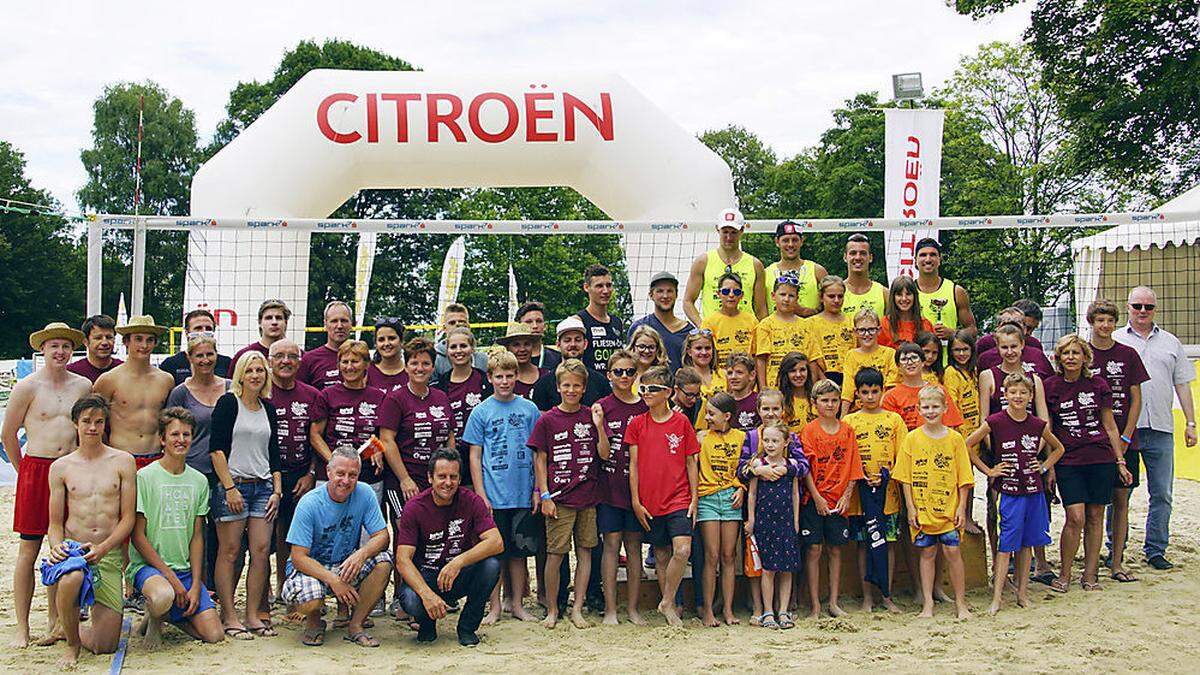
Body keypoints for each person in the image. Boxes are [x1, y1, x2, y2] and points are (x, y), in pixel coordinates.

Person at [2, 323, 91, 647]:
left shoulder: (82, 386)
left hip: (70, 471)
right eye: (54, 346)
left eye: (65, 346)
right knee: (29, 550)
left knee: (63, 547)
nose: (60, 352)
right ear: (43, 349)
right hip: (36, 468)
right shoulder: (27, 387)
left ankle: (57, 621)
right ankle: (23, 626)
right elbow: (8, 433)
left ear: (71, 351)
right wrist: (22, 468)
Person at [43, 395, 136, 666]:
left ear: (105, 424)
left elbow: (127, 518)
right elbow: (56, 523)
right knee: (71, 577)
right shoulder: (61, 467)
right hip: (76, 550)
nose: (92, 428)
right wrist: (56, 546)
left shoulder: (123, 461)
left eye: (98, 422)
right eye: (86, 422)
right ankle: (72, 645)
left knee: (105, 646)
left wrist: (104, 548)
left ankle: (68, 627)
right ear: (75, 424)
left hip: (107, 553)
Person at [963, 372, 1065, 614]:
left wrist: (1043, 466)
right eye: (1013, 392)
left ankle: (1022, 594)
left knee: (1027, 545)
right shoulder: (996, 421)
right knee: (1006, 545)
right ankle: (997, 597)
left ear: (1031, 396)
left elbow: (1059, 448)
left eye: (1023, 392)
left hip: (1033, 490)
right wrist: (989, 470)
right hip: (1009, 491)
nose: (1018, 396)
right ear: (1004, 394)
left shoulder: (1037, 424)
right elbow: (967, 444)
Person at [1113, 286, 1197, 570]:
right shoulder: (1113, 339)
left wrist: (1190, 422)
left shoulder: (1171, 343)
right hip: (1125, 429)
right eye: (1137, 306)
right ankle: (1116, 547)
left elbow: (1182, 384)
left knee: (1162, 492)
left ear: (1156, 310)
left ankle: (1156, 549)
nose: (1142, 311)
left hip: (1160, 426)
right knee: (1119, 492)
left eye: (1148, 307)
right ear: (1128, 307)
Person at [128, 407, 223, 648]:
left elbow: (197, 537)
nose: (181, 440)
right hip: (150, 569)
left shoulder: (199, 480)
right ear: (162, 439)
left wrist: (194, 583)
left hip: (184, 570)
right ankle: (158, 610)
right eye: (174, 435)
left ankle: (165, 616)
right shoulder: (145, 477)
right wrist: (170, 577)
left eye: (186, 435)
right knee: (163, 596)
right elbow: (138, 536)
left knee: (214, 635)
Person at [1044, 335, 1132, 593]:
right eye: (1066, 353)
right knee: (1075, 517)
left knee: (1095, 516)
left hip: (1100, 457)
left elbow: (1110, 425)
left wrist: (1120, 461)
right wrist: (1049, 465)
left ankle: (1090, 575)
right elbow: (1048, 429)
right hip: (1069, 459)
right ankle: (1065, 574)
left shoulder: (1098, 384)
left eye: (1076, 352)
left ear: (1085, 357)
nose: (1071, 357)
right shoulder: (1051, 386)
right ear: (1058, 358)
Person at [528, 359, 611, 629]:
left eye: (577, 386)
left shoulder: (591, 415)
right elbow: (540, 459)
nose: (572, 390)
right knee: (556, 554)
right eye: (566, 385)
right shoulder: (548, 420)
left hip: (588, 496)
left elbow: (604, 453)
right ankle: (553, 608)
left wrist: (599, 425)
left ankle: (578, 607)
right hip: (559, 499)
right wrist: (545, 495)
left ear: (584, 387)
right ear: (559, 386)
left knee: (585, 552)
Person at [282, 446, 392, 648]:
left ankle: (355, 625)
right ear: (329, 472)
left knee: (384, 560)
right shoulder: (309, 503)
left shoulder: (365, 493)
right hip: (311, 568)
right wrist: (333, 580)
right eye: (340, 474)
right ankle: (314, 621)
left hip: (344, 563)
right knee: (311, 600)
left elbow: (383, 536)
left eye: (353, 475)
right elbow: (298, 557)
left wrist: (361, 554)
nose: (346, 480)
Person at [208, 351, 282, 639]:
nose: (255, 375)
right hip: (233, 485)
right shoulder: (229, 403)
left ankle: (252, 614)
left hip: (263, 486)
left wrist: (277, 490)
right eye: (250, 370)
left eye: (260, 371)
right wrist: (229, 488)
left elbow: (273, 453)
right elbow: (216, 450)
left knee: (261, 552)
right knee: (229, 552)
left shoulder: (267, 408)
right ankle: (229, 615)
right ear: (240, 374)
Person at [463, 351, 541, 625]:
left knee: (519, 555)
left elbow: (536, 453)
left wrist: (537, 490)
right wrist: (480, 494)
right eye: (499, 377)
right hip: (493, 496)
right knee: (494, 554)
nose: (505, 381)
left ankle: (517, 604)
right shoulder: (481, 411)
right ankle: (494, 606)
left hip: (522, 493)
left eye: (510, 376)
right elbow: (474, 455)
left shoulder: (529, 409)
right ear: (490, 378)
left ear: (517, 376)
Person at [396, 448, 504, 646]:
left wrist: (458, 562)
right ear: (430, 478)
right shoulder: (414, 507)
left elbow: (496, 542)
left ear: (460, 479)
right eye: (442, 476)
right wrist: (427, 595)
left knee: (491, 565)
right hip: (427, 575)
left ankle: (467, 628)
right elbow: (402, 560)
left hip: (457, 574)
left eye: (453, 477)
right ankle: (427, 625)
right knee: (411, 600)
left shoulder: (471, 500)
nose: (448, 483)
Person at [977, 323, 1053, 580]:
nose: (1009, 351)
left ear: (1023, 346)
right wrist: (996, 458)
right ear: (997, 348)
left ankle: (1038, 562)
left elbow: (1044, 419)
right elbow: (984, 420)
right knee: (996, 507)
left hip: (1032, 451)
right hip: (999, 452)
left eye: (1014, 346)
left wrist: (1034, 452)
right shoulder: (988, 375)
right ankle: (1000, 561)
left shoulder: (1034, 379)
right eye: (1004, 347)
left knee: (1035, 506)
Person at [626, 365, 700, 628]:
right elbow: (633, 466)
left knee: (683, 550)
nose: (645, 393)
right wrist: (635, 501)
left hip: (679, 497)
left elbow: (691, 461)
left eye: (652, 389)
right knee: (660, 554)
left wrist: (694, 497)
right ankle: (669, 606)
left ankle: (667, 600)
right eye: (642, 388)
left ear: (668, 392)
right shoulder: (636, 424)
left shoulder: (681, 422)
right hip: (649, 501)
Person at [893, 385, 973, 619]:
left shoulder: (955, 439)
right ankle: (927, 603)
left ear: (945, 408)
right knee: (927, 553)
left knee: (952, 551)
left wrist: (961, 508)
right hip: (922, 508)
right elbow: (904, 478)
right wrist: (910, 508)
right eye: (926, 407)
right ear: (918, 409)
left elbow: (964, 478)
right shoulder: (911, 438)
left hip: (949, 509)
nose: (930, 411)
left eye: (935, 407)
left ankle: (961, 603)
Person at [736, 389, 814, 625]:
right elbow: (741, 470)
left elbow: (804, 467)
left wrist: (786, 469)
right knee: (760, 563)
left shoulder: (791, 437)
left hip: (787, 510)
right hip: (760, 507)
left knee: (786, 563)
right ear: (758, 410)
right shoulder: (750, 437)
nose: (770, 413)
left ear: (783, 410)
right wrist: (757, 470)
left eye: (775, 409)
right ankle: (761, 608)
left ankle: (785, 608)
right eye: (765, 409)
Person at [1087, 299, 1149, 582]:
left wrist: (1126, 435)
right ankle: (1089, 563)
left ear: (1115, 323)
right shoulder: (1081, 353)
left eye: (1110, 321)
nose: (1105, 325)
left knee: (1121, 501)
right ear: (1092, 322)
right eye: (1100, 320)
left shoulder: (1128, 354)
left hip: (1125, 439)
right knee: (1093, 508)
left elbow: (1136, 399)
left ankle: (1117, 562)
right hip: (1091, 443)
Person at [842, 368, 906, 613]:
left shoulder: (894, 420)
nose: (870, 397)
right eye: (865, 392)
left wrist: (885, 476)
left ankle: (887, 596)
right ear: (857, 393)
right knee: (863, 543)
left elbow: (901, 456)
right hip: (860, 496)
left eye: (875, 392)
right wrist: (862, 476)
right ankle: (867, 597)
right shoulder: (850, 421)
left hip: (887, 495)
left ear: (882, 391)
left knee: (888, 543)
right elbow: (847, 457)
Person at [800, 379, 864, 619]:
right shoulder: (809, 430)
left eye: (834, 400)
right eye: (825, 400)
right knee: (814, 549)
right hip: (814, 499)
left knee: (836, 550)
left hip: (839, 501)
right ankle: (815, 604)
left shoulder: (847, 430)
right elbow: (805, 468)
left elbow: (854, 466)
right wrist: (816, 497)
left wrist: (847, 496)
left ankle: (834, 602)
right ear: (815, 403)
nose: (830, 404)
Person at [595, 350, 650, 626]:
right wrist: (600, 426)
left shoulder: (645, 406)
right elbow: (602, 454)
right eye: (619, 372)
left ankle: (633, 609)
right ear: (609, 375)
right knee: (611, 546)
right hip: (609, 487)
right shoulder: (602, 406)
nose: (625, 376)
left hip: (637, 490)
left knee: (634, 546)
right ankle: (611, 609)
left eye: (630, 371)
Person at [266, 339, 320, 606]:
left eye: (292, 356)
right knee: (264, 537)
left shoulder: (311, 395)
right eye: (279, 356)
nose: (286, 361)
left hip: (300, 474)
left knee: (292, 534)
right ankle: (266, 589)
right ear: (270, 360)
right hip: (267, 475)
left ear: (300, 362)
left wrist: (310, 473)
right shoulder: (260, 392)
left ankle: (287, 586)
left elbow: (317, 438)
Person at [380, 337, 455, 512]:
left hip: (435, 481)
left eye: (425, 363)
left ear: (433, 367)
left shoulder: (441, 397)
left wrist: (449, 473)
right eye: (414, 363)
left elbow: (449, 436)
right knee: (407, 534)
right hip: (405, 481)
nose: (420, 368)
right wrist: (404, 479)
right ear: (405, 366)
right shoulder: (395, 399)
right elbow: (387, 440)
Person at [94, 315, 176, 469]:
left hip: (157, 457)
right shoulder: (109, 380)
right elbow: (96, 421)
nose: (144, 345)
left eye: (149, 340)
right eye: (138, 339)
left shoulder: (166, 380)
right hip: (121, 456)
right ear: (126, 341)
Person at [694, 392, 745, 627]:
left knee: (729, 555)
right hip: (708, 497)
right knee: (711, 555)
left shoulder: (742, 437)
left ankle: (728, 609)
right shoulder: (702, 438)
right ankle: (707, 611)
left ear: (727, 416)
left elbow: (746, 469)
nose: (708, 418)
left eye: (712, 414)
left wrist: (742, 488)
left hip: (731, 498)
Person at [310, 340, 386, 496]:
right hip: (331, 476)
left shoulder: (379, 397)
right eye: (345, 362)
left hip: (368, 476)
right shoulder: (327, 395)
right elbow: (315, 435)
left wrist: (379, 448)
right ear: (338, 365)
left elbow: (386, 435)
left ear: (366, 364)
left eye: (355, 361)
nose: (349, 366)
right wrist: (335, 462)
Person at [746, 421, 801, 629]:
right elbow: (752, 494)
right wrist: (751, 519)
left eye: (775, 441)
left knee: (786, 569)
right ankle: (768, 611)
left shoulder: (791, 466)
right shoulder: (758, 466)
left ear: (785, 442)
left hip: (785, 521)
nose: (770, 444)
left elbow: (795, 493)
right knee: (768, 569)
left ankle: (783, 610)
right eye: (766, 440)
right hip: (764, 521)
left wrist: (795, 521)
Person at [683, 207, 768, 325]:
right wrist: (703, 327)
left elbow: (761, 309)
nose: (729, 237)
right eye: (725, 232)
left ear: (742, 230)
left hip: (745, 334)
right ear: (717, 229)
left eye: (733, 232)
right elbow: (688, 301)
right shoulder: (703, 262)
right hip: (715, 333)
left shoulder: (755, 264)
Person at [166, 334, 231, 477]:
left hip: (229, 469)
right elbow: (170, 433)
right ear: (189, 358)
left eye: (210, 354)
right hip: (193, 469)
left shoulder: (231, 388)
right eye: (199, 356)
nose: (205, 360)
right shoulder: (180, 393)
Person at [432, 328, 489, 491]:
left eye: (463, 346)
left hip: (482, 457)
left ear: (472, 348)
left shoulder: (485, 381)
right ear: (447, 351)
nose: (458, 351)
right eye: (453, 347)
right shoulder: (439, 386)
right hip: (452, 458)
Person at [944, 330, 982, 534]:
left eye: (965, 349)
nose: (961, 354)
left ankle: (969, 516)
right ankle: (964, 518)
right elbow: (952, 405)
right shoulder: (951, 373)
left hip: (976, 433)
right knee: (963, 479)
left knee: (971, 478)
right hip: (961, 434)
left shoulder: (973, 372)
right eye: (956, 350)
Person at [531, 316, 612, 411]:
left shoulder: (600, 382)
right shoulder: (544, 384)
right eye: (567, 340)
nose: (573, 344)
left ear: (585, 344)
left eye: (578, 340)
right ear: (558, 344)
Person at [882, 342, 965, 431]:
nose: (910, 363)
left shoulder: (939, 391)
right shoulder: (890, 397)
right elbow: (891, 431)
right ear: (898, 366)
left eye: (914, 358)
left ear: (923, 362)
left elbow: (951, 426)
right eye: (904, 359)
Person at [913, 238, 977, 345]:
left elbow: (972, 330)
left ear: (939, 259)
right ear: (915, 260)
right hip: (917, 359)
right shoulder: (908, 293)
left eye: (933, 255)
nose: (928, 259)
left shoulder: (956, 291)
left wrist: (953, 334)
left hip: (948, 359)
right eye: (923, 255)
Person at [627, 271, 694, 371]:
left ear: (676, 294)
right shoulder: (639, 327)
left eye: (670, 291)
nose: (665, 296)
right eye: (660, 291)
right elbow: (630, 362)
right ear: (651, 295)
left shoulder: (689, 331)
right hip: (649, 385)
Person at [754, 273, 809, 392]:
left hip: (800, 387)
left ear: (797, 298)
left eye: (791, 296)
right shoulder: (765, 325)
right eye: (782, 294)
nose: (786, 299)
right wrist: (763, 389)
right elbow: (761, 360)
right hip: (774, 387)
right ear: (773, 296)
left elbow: (812, 360)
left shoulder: (806, 325)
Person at [839, 308, 897, 415]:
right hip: (858, 411)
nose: (867, 334)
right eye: (862, 330)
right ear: (855, 332)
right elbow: (848, 391)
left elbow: (891, 387)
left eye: (871, 329)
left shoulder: (890, 354)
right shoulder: (851, 355)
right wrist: (843, 417)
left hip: (884, 409)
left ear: (879, 330)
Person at [701, 272, 758, 378]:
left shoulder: (751, 320)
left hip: (747, 382)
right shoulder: (709, 322)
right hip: (719, 381)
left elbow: (756, 356)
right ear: (718, 294)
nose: (731, 295)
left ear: (741, 295)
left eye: (736, 292)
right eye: (726, 291)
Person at [764, 220, 826, 317]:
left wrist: (808, 312)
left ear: (802, 241)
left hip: (810, 329)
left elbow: (830, 306)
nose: (790, 244)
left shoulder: (817, 271)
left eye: (795, 240)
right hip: (776, 330)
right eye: (785, 240)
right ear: (777, 242)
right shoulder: (766, 273)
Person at [575, 264, 626, 376]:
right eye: (599, 286)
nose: (605, 291)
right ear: (586, 287)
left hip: (615, 385)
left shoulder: (617, 322)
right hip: (590, 386)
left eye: (608, 285)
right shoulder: (579, 321)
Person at [159, 309, 234, 385]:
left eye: (208, 328)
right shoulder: (170, 364)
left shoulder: (227, 363)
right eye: (198, 328)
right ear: (187, 333)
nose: (203, 332)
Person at [805, 276, 855, 385]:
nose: (836, 300)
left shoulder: (852, 322)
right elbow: (811, 358)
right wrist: (825, 382)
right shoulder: (810, 324)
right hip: (822, 381)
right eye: (831, 296)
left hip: (850, 380)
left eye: (840, 296)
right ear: (821, 297)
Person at [976, 308, 1053, 378]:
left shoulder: (1037, 355)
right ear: (997, 329)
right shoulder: (985, 358)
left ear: (1025, 329)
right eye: (1005, 326)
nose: (1010, 330)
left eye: (1016, 326)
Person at [298, 301, 353, 390]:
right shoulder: (309, 359)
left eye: (344, 320)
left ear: (351, 324)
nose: (339, 326)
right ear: (325, 324)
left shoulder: (362, 358)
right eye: (334, 321)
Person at [434, 303, 489, 377]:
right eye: (452, 323)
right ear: (444, 328)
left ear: (468, 326)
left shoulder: (483, 360)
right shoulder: (435, 360)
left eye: (462, 322)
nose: (458, 325)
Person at [840, 234, 887, 319]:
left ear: (870, 258)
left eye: (863, 253)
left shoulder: (884, 293)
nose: (858, 257)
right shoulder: (837, 293)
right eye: (853, 253)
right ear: (845, 257)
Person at [878, 276, 933, 348]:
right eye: (899, 294)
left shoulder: (925, 324)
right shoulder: (884, 324)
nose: (904, 298)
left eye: (908, 294)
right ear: (893, 297)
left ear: (915, 296)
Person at [232, 299, 291, 366]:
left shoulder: (298, 356)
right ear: (260, 323)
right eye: (268, 318)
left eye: (279, 318)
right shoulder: (243, 355)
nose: (274, 322)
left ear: (286, 322)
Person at [67, 314, 123, 383]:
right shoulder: (72, 372)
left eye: (109, 337)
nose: (104, 343)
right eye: (98, 338)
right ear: (86, 341)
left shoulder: (124, 370)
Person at [495, 323, 545, 400]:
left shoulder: (546, 376)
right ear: (508, 348)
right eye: (516, 345)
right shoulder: (500, 380)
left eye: (527, 344)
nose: (522, 349)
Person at [367, 316, 408, 395]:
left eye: (391, 338)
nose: (386, 344)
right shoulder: (366, 372)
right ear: (376, 344)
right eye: (381, 339)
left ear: (401, 341)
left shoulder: (412, 372)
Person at [516, 301, 560, 371]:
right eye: (529, 322)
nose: (535, 326)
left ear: (545, 326)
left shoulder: (558, 359)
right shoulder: (510, 359)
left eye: (539, 321)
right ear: (519, 326)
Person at [723, 352, 761, 431]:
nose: (733, 377)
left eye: (739, 372)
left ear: (752, 375)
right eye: (730, 373)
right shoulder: (723, 403)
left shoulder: (759, 401)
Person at [779, 352, 815, 434]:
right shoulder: (779, 401)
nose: (798, 375)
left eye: (802, 370)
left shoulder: (818, 399)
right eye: (793, 371)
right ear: (786, 374)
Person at [682, 328, 721, 397]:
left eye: (707, 348)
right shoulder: (683, 378)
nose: (704, 352)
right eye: (698, 348)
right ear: (689, 352)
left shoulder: (724, 375)